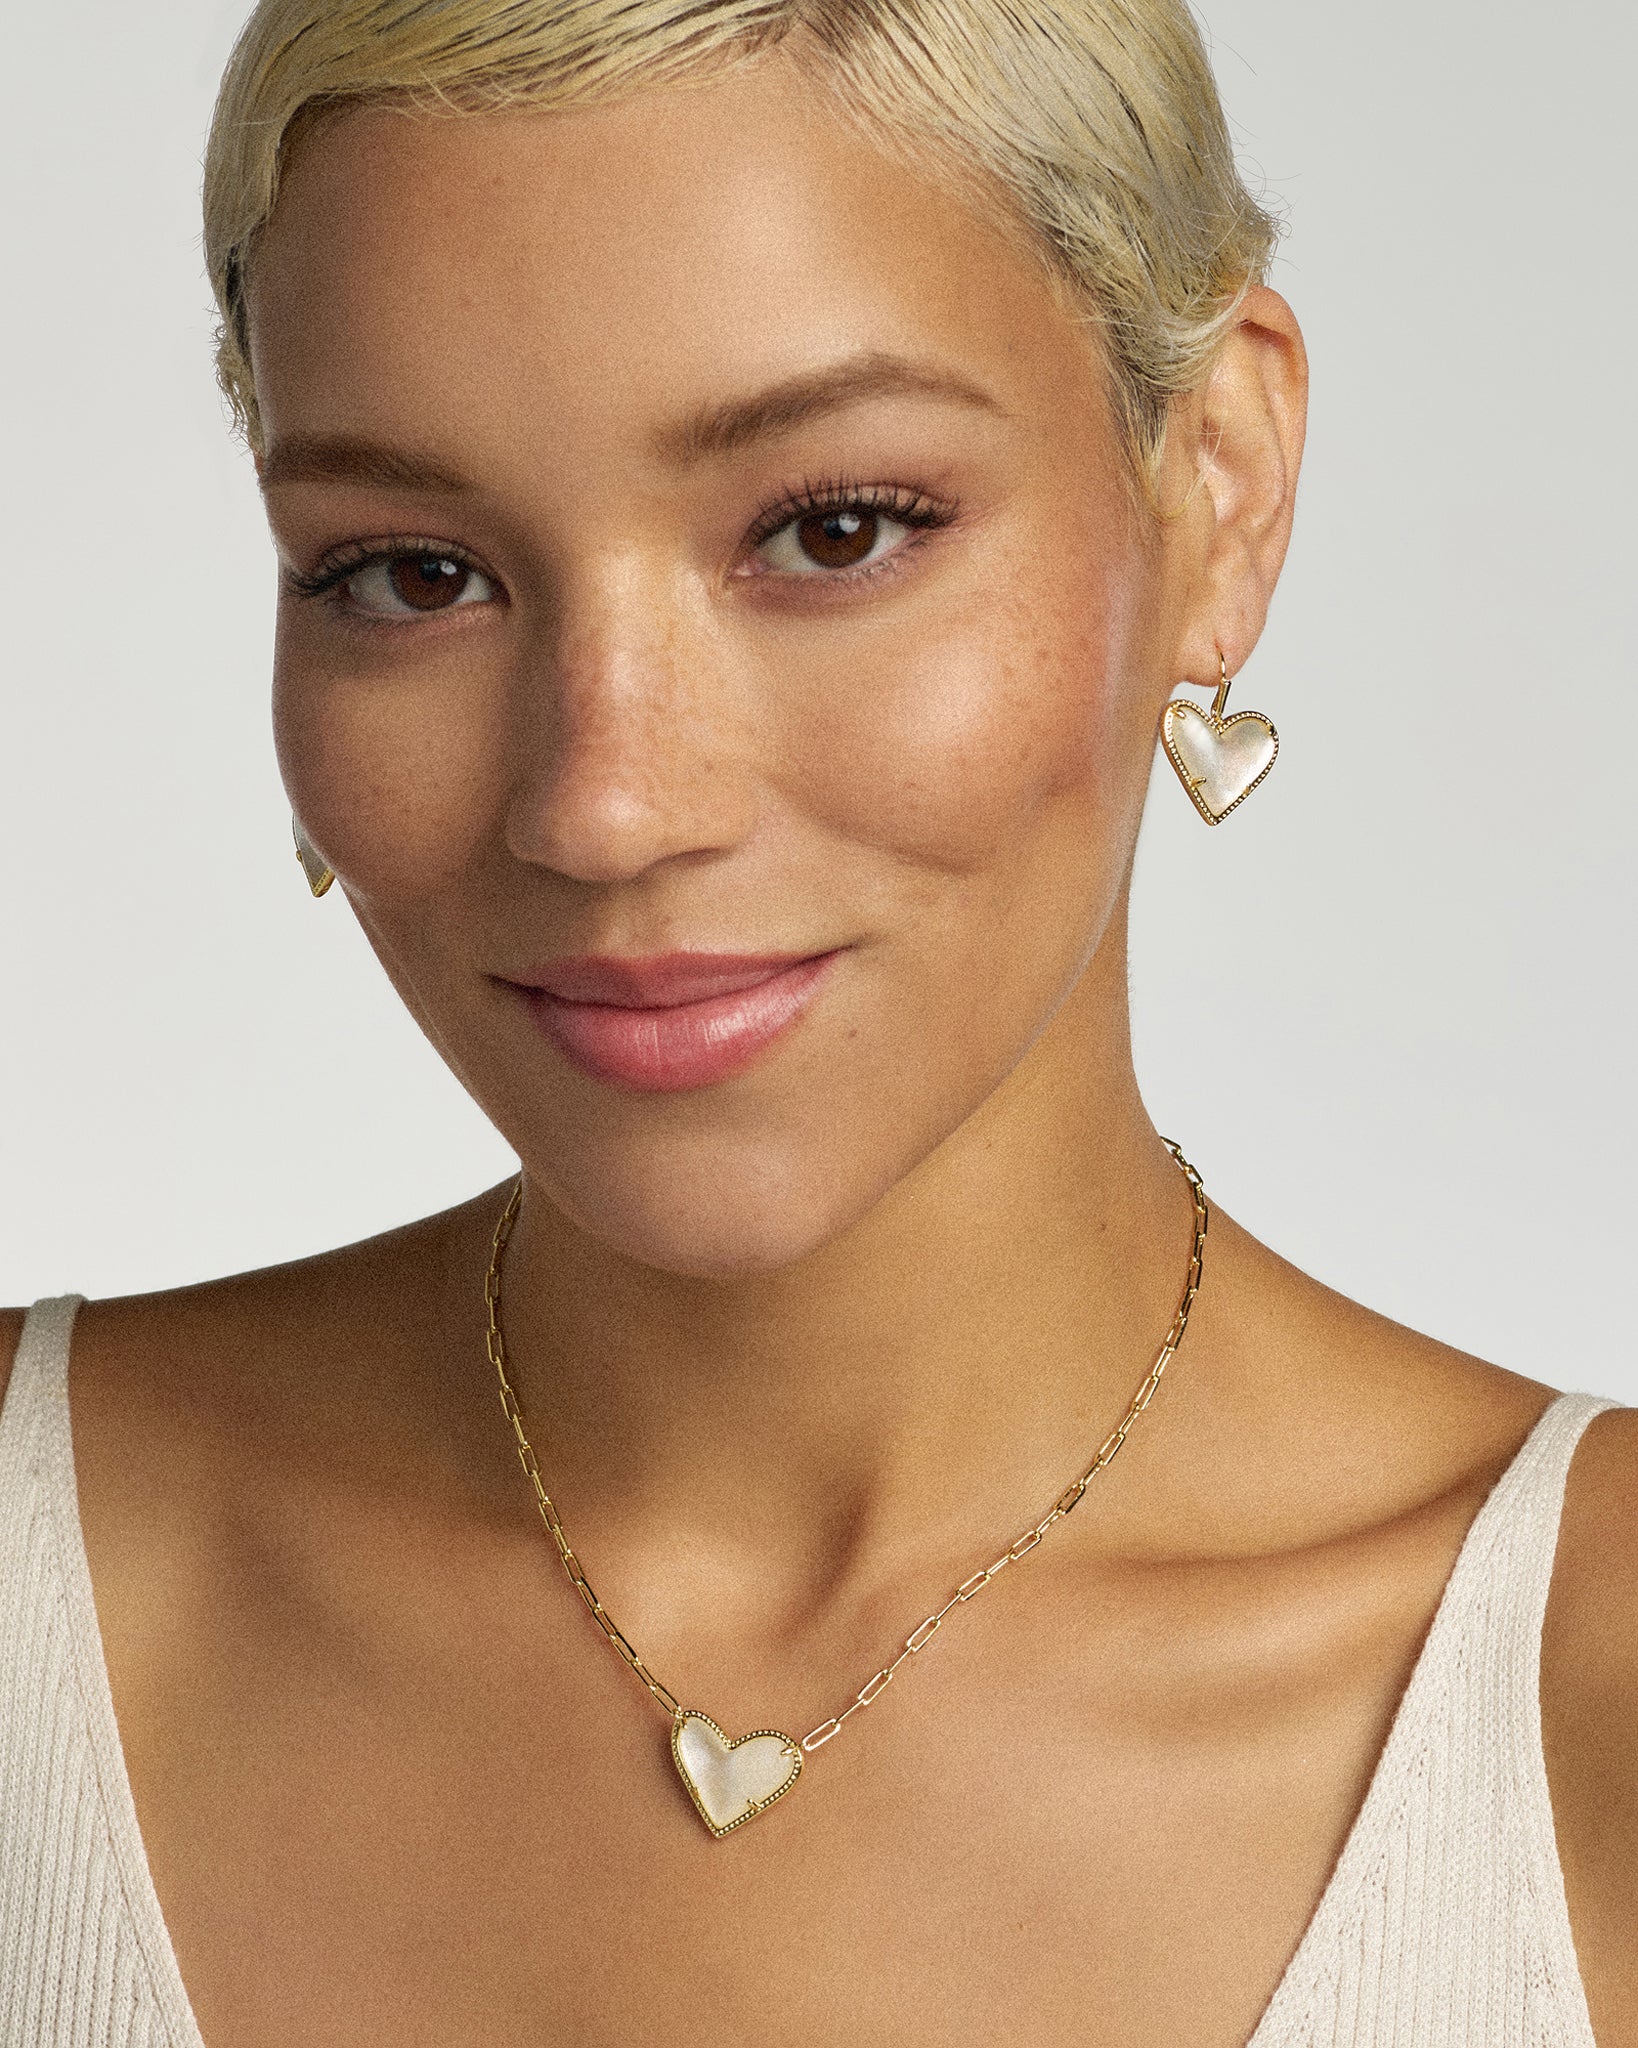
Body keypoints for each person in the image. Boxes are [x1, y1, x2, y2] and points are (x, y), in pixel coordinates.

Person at [2, 1, 1634, 2042]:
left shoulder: (1591, 1704)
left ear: (1218, 486)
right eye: (413, 573)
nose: (606, 801)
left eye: (832, 530)